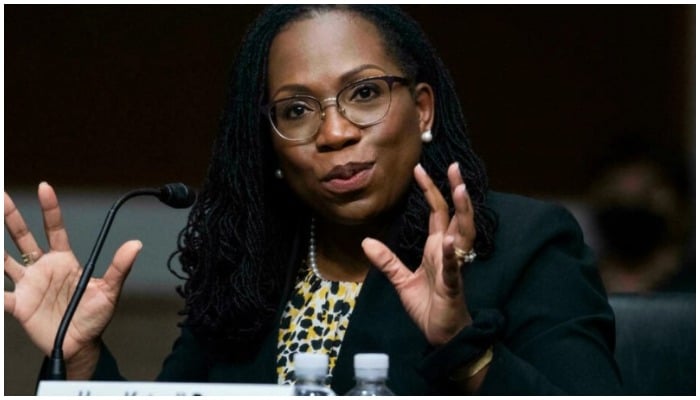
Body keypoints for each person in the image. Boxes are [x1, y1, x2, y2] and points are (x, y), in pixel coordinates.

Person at [4, 5, 621, 395]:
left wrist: (466, 347)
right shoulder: (249, 268)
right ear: (269, 142)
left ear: (423, 108)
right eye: (297, 110)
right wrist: (78, 356)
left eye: (365, 93)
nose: (334, 133)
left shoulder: (521, 243)